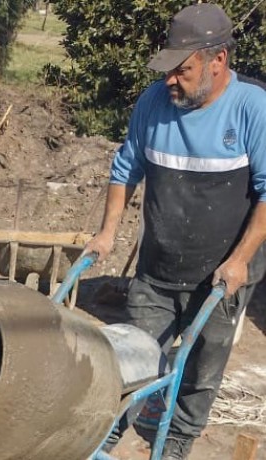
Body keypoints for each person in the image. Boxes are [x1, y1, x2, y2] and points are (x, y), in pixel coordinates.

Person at [83, 4, 266, 459]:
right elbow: (125, 168)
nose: (170, 80)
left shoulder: (252, 109)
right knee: (135, 358)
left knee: (202, 369)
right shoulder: (153, 102)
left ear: (218, 60)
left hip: (222, 274)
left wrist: (240, 260)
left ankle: (177, 442)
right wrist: (106, 233)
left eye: (182, 70)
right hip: (158, 267)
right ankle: (107, 431)